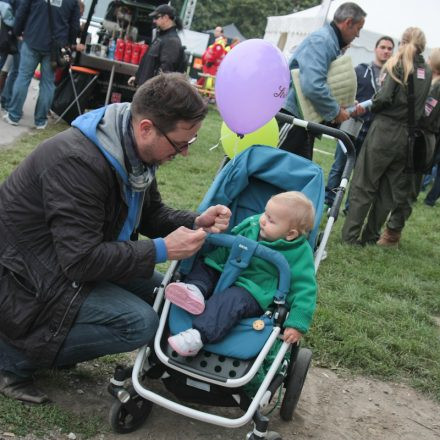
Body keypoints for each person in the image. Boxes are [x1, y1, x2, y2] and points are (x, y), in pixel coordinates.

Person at [0, 72, 231, 404]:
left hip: (60, 266)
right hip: (25, 282)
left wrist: (197, 220)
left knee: (166, 296)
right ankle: (13, 359)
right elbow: (81, 261)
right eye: (181, 143)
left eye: (190, 143)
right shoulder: (79, 162)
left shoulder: (128, 149)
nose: (184, 154)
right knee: (140, 322)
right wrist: (163, 249)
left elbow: (151, 216)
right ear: (146, 128)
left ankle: (53, 347)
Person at [165, 191, 317, 357]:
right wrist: (214, 260)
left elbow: (305, 289)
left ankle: (197, 336)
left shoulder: (299, 253)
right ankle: (195, 290)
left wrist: (297, 323)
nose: (263, 219)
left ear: (290, 234)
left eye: (271, 220)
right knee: (206, 266)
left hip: (253, 290)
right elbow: (230, 243)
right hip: (228, 268)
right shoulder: (253, 225)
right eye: (265, 213)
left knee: (231, 300)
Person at [341, 27, 431, 245]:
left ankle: (350, 236)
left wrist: (363, 105)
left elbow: (383, 100)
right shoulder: (427, 72)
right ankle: (371, 236)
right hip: (407, 137)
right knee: (388, 191)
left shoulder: (396, 64)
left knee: (364, 184)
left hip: (384, 131)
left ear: (402, 42)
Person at [278, 2, 367, 160]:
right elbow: (313, 86)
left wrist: (345, 103)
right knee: (266, 167)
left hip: (303, 122)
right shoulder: (322, 41)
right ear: (347, 23)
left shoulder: (329, 42)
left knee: (299, 179)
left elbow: (324, 83)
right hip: (294, 118)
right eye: (358, 29)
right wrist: (335, 111)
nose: (358, 35)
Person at [376, 48, 440, 245]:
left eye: (430, 58)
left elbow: (427, 114)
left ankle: (392, 233)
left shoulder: (437, 86)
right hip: (417, 134)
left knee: (409, 187)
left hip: (422, 138)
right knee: (402, 183)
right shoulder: (429, 81)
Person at [325, 36, 395, 209]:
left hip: (373, 129)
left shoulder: (393, 77)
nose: (386, 51)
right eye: (383, 47)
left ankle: (350, 207)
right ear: (375, 49)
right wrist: (352, 105)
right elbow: (346, 94)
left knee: (361, 171)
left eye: (389, 48)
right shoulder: (361, 70)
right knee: (339, 165)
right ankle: (329, 201)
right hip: (352, 123)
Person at [2, 0, 80, 129]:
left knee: (23, 77)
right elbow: (74, 25)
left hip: (32, 39)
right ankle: (40, 121)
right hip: (55, 47)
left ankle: (13, 115)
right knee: (48, 83)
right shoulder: (72, 2)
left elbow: (22, 11)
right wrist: (70, 43)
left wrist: (17, 31)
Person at [128, 4, 183, 87]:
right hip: (145, 89)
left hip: (152, 92)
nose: (154, 21)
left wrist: (153, 91)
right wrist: (137, 77)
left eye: (156, 17)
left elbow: (165, 71)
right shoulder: (161, 36)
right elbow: (149, 61)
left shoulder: (172, 41)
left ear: (166, 18)